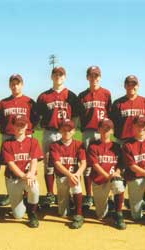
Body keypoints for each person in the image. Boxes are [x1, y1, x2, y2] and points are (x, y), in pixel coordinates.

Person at [37, 66, 80, 207]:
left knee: (68, 162)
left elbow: (75, 116)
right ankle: (50, 193)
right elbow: (39, 115)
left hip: (66, 134)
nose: (58, 77)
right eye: (55, 74)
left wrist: (70, 130)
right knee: (49, 164)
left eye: (61, 74)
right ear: (51, 77)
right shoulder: (44, 96)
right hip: (50, 132)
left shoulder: (71, 96)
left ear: (65, 77)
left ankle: (70, 194)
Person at [0, 73, 39, 206]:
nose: (15, 86)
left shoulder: (29, 102)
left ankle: (27, 193)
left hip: (25, 135)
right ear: (9, 85)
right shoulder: (3, 103)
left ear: (22, 85)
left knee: (26, 164)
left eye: (18, 83)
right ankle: (11, 194)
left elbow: (35, 119)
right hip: (8, 136)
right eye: (13, 84)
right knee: (9, 166)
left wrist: (27, 132)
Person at [78, 66, 112, 208]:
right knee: (87, 166)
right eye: (91, 75)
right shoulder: (82, 96)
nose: (94, 78)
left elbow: (109, 112)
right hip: (88, 132)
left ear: (100, 77)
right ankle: (89, 195)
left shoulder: (106, 93)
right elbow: (79, 115)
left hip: (102, 132)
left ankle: (107, 195)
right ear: (87, 77)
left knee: (106, 163)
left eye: (97, 75)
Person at [1, 115, 43, 228]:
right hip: (13, 179)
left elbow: (34, 160)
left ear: (26, 126)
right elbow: (11, 164)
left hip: (28, 177)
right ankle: (25, 201)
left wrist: (31, 174)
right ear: (13, 126)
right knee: (18, 215)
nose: (20, 127)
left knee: (34, 188)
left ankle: (32, 213)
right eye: (17, 125)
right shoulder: (7, 144)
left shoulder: (33, 142)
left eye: (22, 125)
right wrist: (24, 176)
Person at [87, 118, 126, 230]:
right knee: (101, 215)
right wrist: (107, 176)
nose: (105, 131)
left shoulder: (117, 147)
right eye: (102, 128)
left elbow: (121, 164)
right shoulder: (93, 145)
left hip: (112, 178)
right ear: (98, 130)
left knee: (118, 183)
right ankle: (110, 204)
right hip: (99, 181)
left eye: (108, 128)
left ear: (112, 131)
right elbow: (95, 165)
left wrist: (117, 173)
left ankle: (118, 214)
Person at [49, 119, 86, 229]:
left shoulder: (78, 144)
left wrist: (77, 174)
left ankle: (79, 214)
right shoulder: (54, 145)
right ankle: (69, 200)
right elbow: (57, 164)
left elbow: (83, 163)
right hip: (62, 177)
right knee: (63, 213)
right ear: (60, 131)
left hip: (74, 176)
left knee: (75, 182)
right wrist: (70, 175)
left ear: (74, 131)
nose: (67, 132)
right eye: (64, 129)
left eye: (69, 130)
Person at [111, 75, 145, 145]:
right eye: (128, 84)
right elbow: (113, 122)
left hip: (140, 140)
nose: (131, 87)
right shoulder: (117, 103)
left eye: (133, 84)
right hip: (122, 140)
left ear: (138, 86)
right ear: (124, 86)